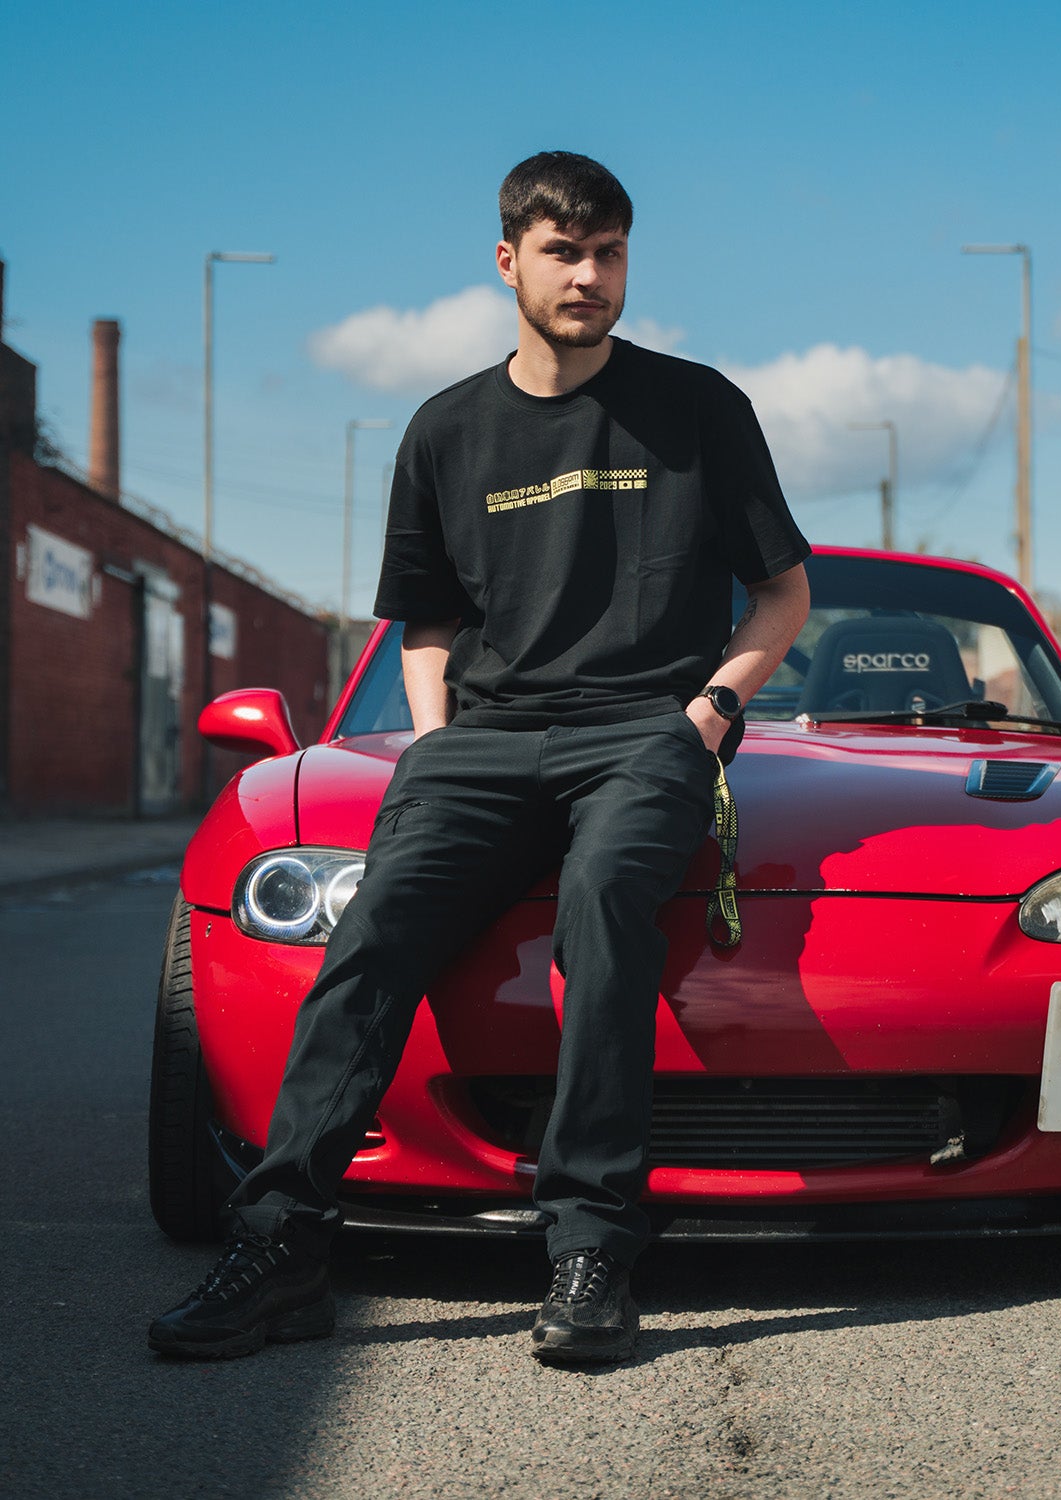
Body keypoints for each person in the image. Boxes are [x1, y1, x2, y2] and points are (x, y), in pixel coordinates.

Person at [149, 151, 811, 1365]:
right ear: (508, 260)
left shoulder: (700, 408)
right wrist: (441, 745)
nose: (590, 275)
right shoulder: (448, 429)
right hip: (487, 735)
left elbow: (784, 592)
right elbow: (430, 621)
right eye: (565, 252)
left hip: (643, 733)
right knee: (379, 923)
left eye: (609, 252)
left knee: (608, 904)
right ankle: (287, 1242)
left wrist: (706, 715)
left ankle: (591, 1241)